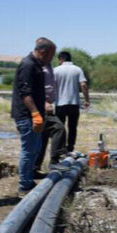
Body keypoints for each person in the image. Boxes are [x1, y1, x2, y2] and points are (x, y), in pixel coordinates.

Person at [11, 38, 55, 196]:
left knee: (35, 148)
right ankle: (25, 185)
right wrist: (35, 113)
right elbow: (25, 93)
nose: (52, 59)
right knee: (28, 150)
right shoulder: (28, 64)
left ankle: (31, 176)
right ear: (43, 52)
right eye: (51, 55)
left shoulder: (37, 65)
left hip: (35, 115)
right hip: (26, 115)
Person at [33, 38, 67, 177]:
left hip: (47, 105)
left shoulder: (46, 65)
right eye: (51, 53)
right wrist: (44, 103)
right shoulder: (36, 65)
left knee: (43, 136)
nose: (52, 57)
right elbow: (32, 88)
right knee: (59, 128)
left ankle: (35, 168)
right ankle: (54, 160)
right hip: (42, 106)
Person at [54, 50, 90, 154]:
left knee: (60, 128)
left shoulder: (56, 70)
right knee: (72, 127)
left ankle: (60, 149)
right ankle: (70, 148)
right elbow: (83, 85)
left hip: (60, 103)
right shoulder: (77, 70)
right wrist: (87, 100)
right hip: (74, 103)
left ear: (61, 59)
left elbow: (50, 87)